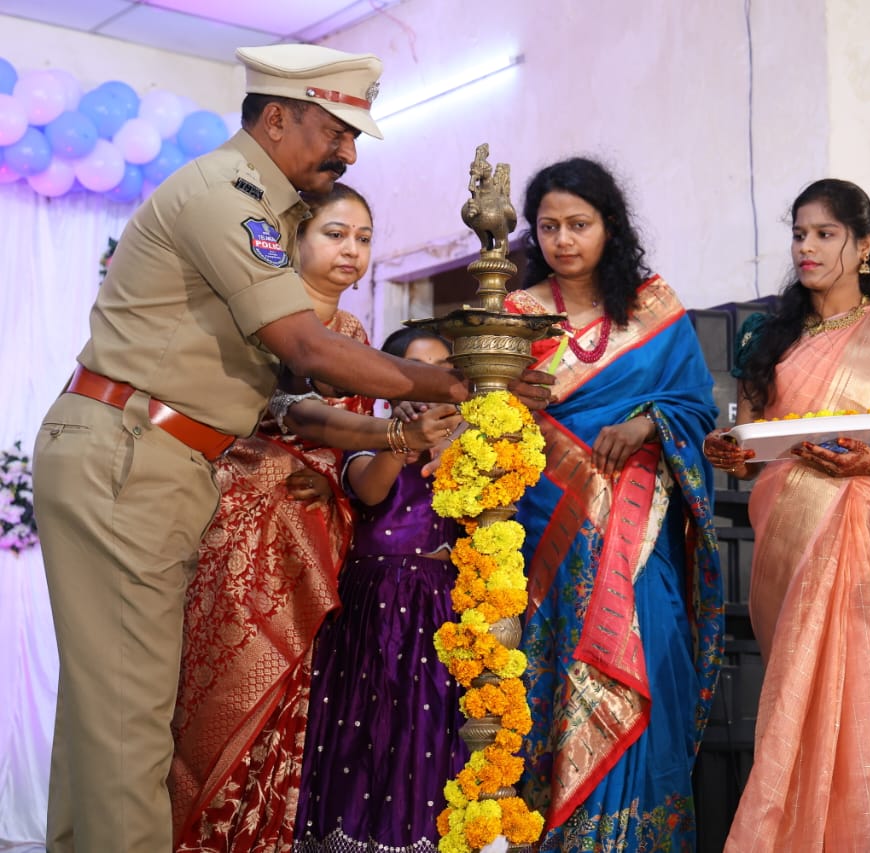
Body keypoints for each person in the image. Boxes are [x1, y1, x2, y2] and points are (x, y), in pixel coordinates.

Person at [31, 44, 550, 853]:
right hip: (134, 451)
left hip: (154, 454)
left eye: (354, 138)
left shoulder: (260, 207)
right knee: (131, 727)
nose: (349, 154)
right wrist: (460, 383)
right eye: (336, 132)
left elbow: (301, 397)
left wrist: (423, 412)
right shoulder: (226, 196)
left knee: (104, 721)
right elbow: (305, 350)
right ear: (276, 118)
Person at [168, 183, 462, 847]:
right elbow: (295, 414)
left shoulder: (354, 335)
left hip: (319, 545)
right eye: (334, 233)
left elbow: (349, 460)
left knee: (299, 711)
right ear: (293, 239)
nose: (351, 250)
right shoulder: (264, 320)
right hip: (246, 537)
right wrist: (392, 435)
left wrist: (358, 461)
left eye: (363, 238)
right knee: (228, 701)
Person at [703, 178, 870, 851]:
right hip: (790, 535)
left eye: (825, 234)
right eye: (799, 234)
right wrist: (729, 453)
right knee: (800, 693)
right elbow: (753, 444)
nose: (807, 248)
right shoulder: (764, 334)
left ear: (864, 246)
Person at [501, 157, 723, 850]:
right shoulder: (514, 316)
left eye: (579, 224)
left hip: (638, 532)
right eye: (549, 227)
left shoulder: (654, 307)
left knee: (650, 655)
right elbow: (489, 422)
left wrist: (650, 422)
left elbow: (697, 406)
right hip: (547, 531)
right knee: (549, 679)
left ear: (609, 227)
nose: (563, 240)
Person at [294, 327, 467, 851]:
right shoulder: (368, 436)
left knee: (429, 720)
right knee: (369, 720)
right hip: (379, 599)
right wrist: (401, 438)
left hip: (443, 600)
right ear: (386, 382)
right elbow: (371, 489)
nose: (429, 384)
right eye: (415, 371)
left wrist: (454, 442)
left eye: (442, 373)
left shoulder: (469, 443)